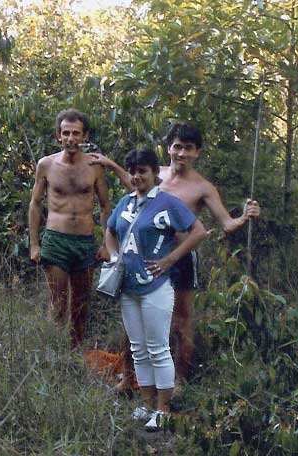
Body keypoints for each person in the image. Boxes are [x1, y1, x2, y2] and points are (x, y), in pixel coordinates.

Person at [91, 123, 260, 390]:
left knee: (181, 321)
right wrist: (111, 164)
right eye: (177, 147)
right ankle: (127, 375)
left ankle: (179, 380)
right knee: (133, 318)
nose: (181, 154)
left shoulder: (203, 187)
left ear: (197, 152)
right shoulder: (157, 174)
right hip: (144, 257)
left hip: (180, 259)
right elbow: (133, 183)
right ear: (168, 148)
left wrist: (245, 217)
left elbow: (226, 224)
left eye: (188, 148)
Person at [105, 148, 207, 430]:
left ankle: (163, 407)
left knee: (158, 347)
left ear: (154, 174)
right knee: (138, 348)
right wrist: (114, 258)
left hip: (156, 286)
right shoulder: (125, 203)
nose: (137, 176)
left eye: (143, 171)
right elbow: (110, 231)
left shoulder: (167, 203)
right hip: (127, 286)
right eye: (133, 171)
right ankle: (146, 403)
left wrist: (170, 259)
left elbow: (197, 231)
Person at [28, 108, 110, 347]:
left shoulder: (95, 166)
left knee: (81, 304)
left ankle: (75, 353)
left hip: (84, 241)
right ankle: (52, 352)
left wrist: (106, 243)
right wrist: (34, 244)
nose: (71, 138)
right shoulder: (46, 165)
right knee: (58, 302)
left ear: (84, 137)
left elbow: (106, 206)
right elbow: (35, 203)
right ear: (58, 136)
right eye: (66, 133)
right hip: (56, 240)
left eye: (76, 133)